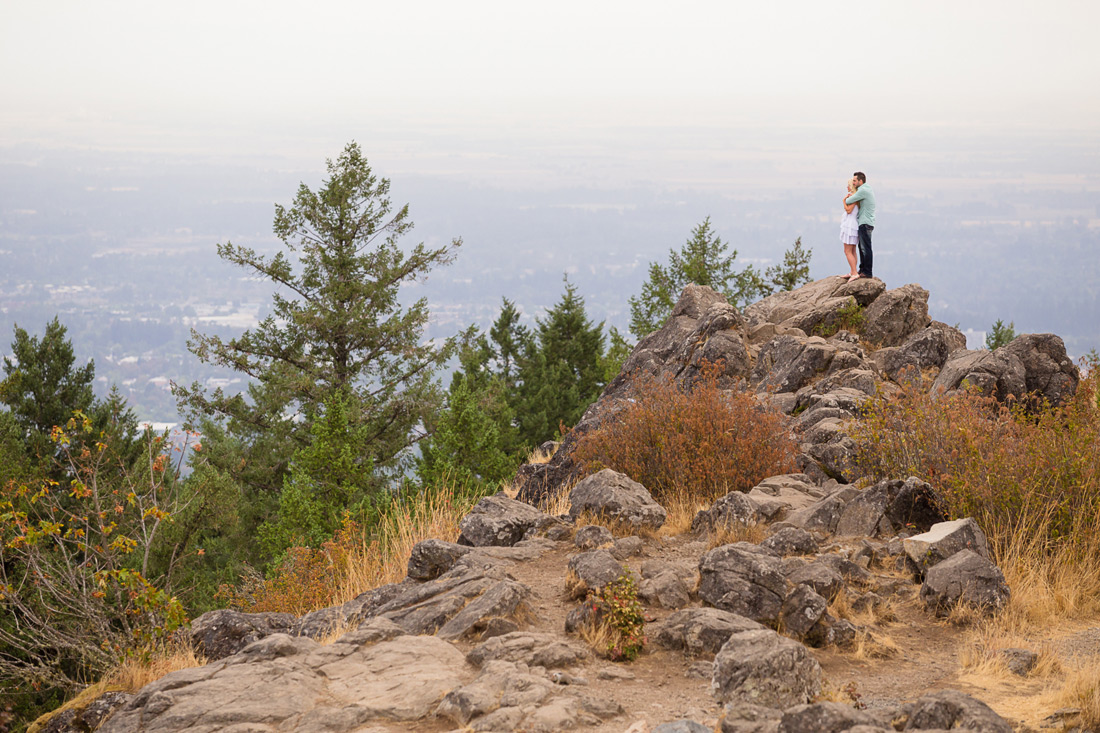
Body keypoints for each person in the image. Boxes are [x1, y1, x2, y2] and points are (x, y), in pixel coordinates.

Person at [844, 171, 876, 278]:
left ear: (860, 181)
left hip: (865, 222)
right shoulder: (867, 188)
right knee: (862, 247)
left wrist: (844, 199)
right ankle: (862, 270)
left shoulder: (863, 190)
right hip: (867, 222)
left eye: (854, 181)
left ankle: (867, 272)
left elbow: (849, 201)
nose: (853, 183)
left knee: (865, 248)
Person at [839, 177, 860, 282]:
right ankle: (853, 271)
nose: (847, 187)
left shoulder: (852, 197)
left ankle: (854, 272)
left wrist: (843, 201)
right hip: (853, 225)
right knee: (853, 251)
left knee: (847, 251)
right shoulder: (857, 196)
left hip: (850, 226)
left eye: (848, 185)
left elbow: (848, 210)